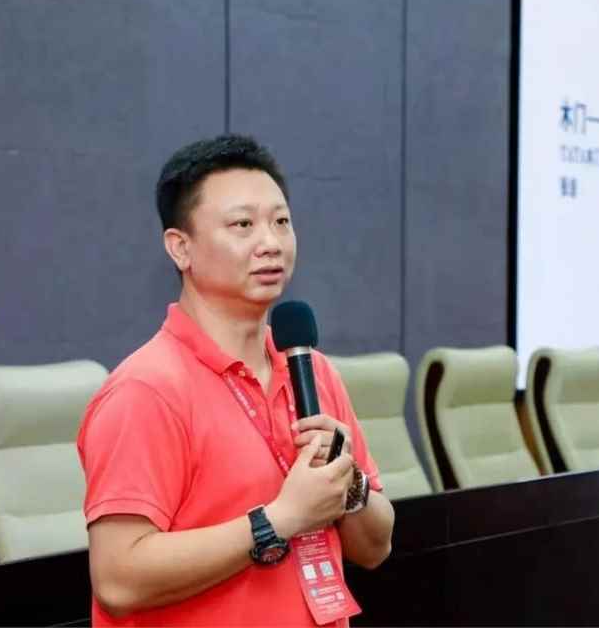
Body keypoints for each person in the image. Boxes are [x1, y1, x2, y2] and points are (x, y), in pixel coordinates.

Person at [77, 135, 395, 626]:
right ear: (180, 248)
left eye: (281, 222)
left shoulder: (312, 370)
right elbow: (119, 580)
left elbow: (376, 548)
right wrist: (280, 519)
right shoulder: (146, 389)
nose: (271, 243)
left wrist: (347, 483)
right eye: (243, 225)